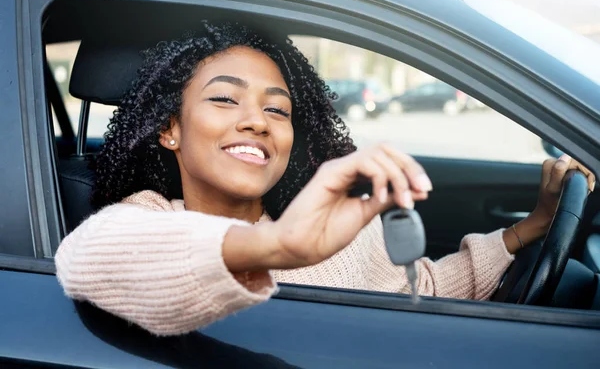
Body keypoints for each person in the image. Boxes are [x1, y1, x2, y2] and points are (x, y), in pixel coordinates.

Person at [55, 21, 595, 337]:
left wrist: (531, 227)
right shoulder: (148, 219)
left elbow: (423, 290)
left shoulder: (331, 230)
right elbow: (89, 257)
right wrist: (276, 246)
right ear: (170, 129)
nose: (256, 121)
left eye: (279, 110)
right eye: (224, 98)